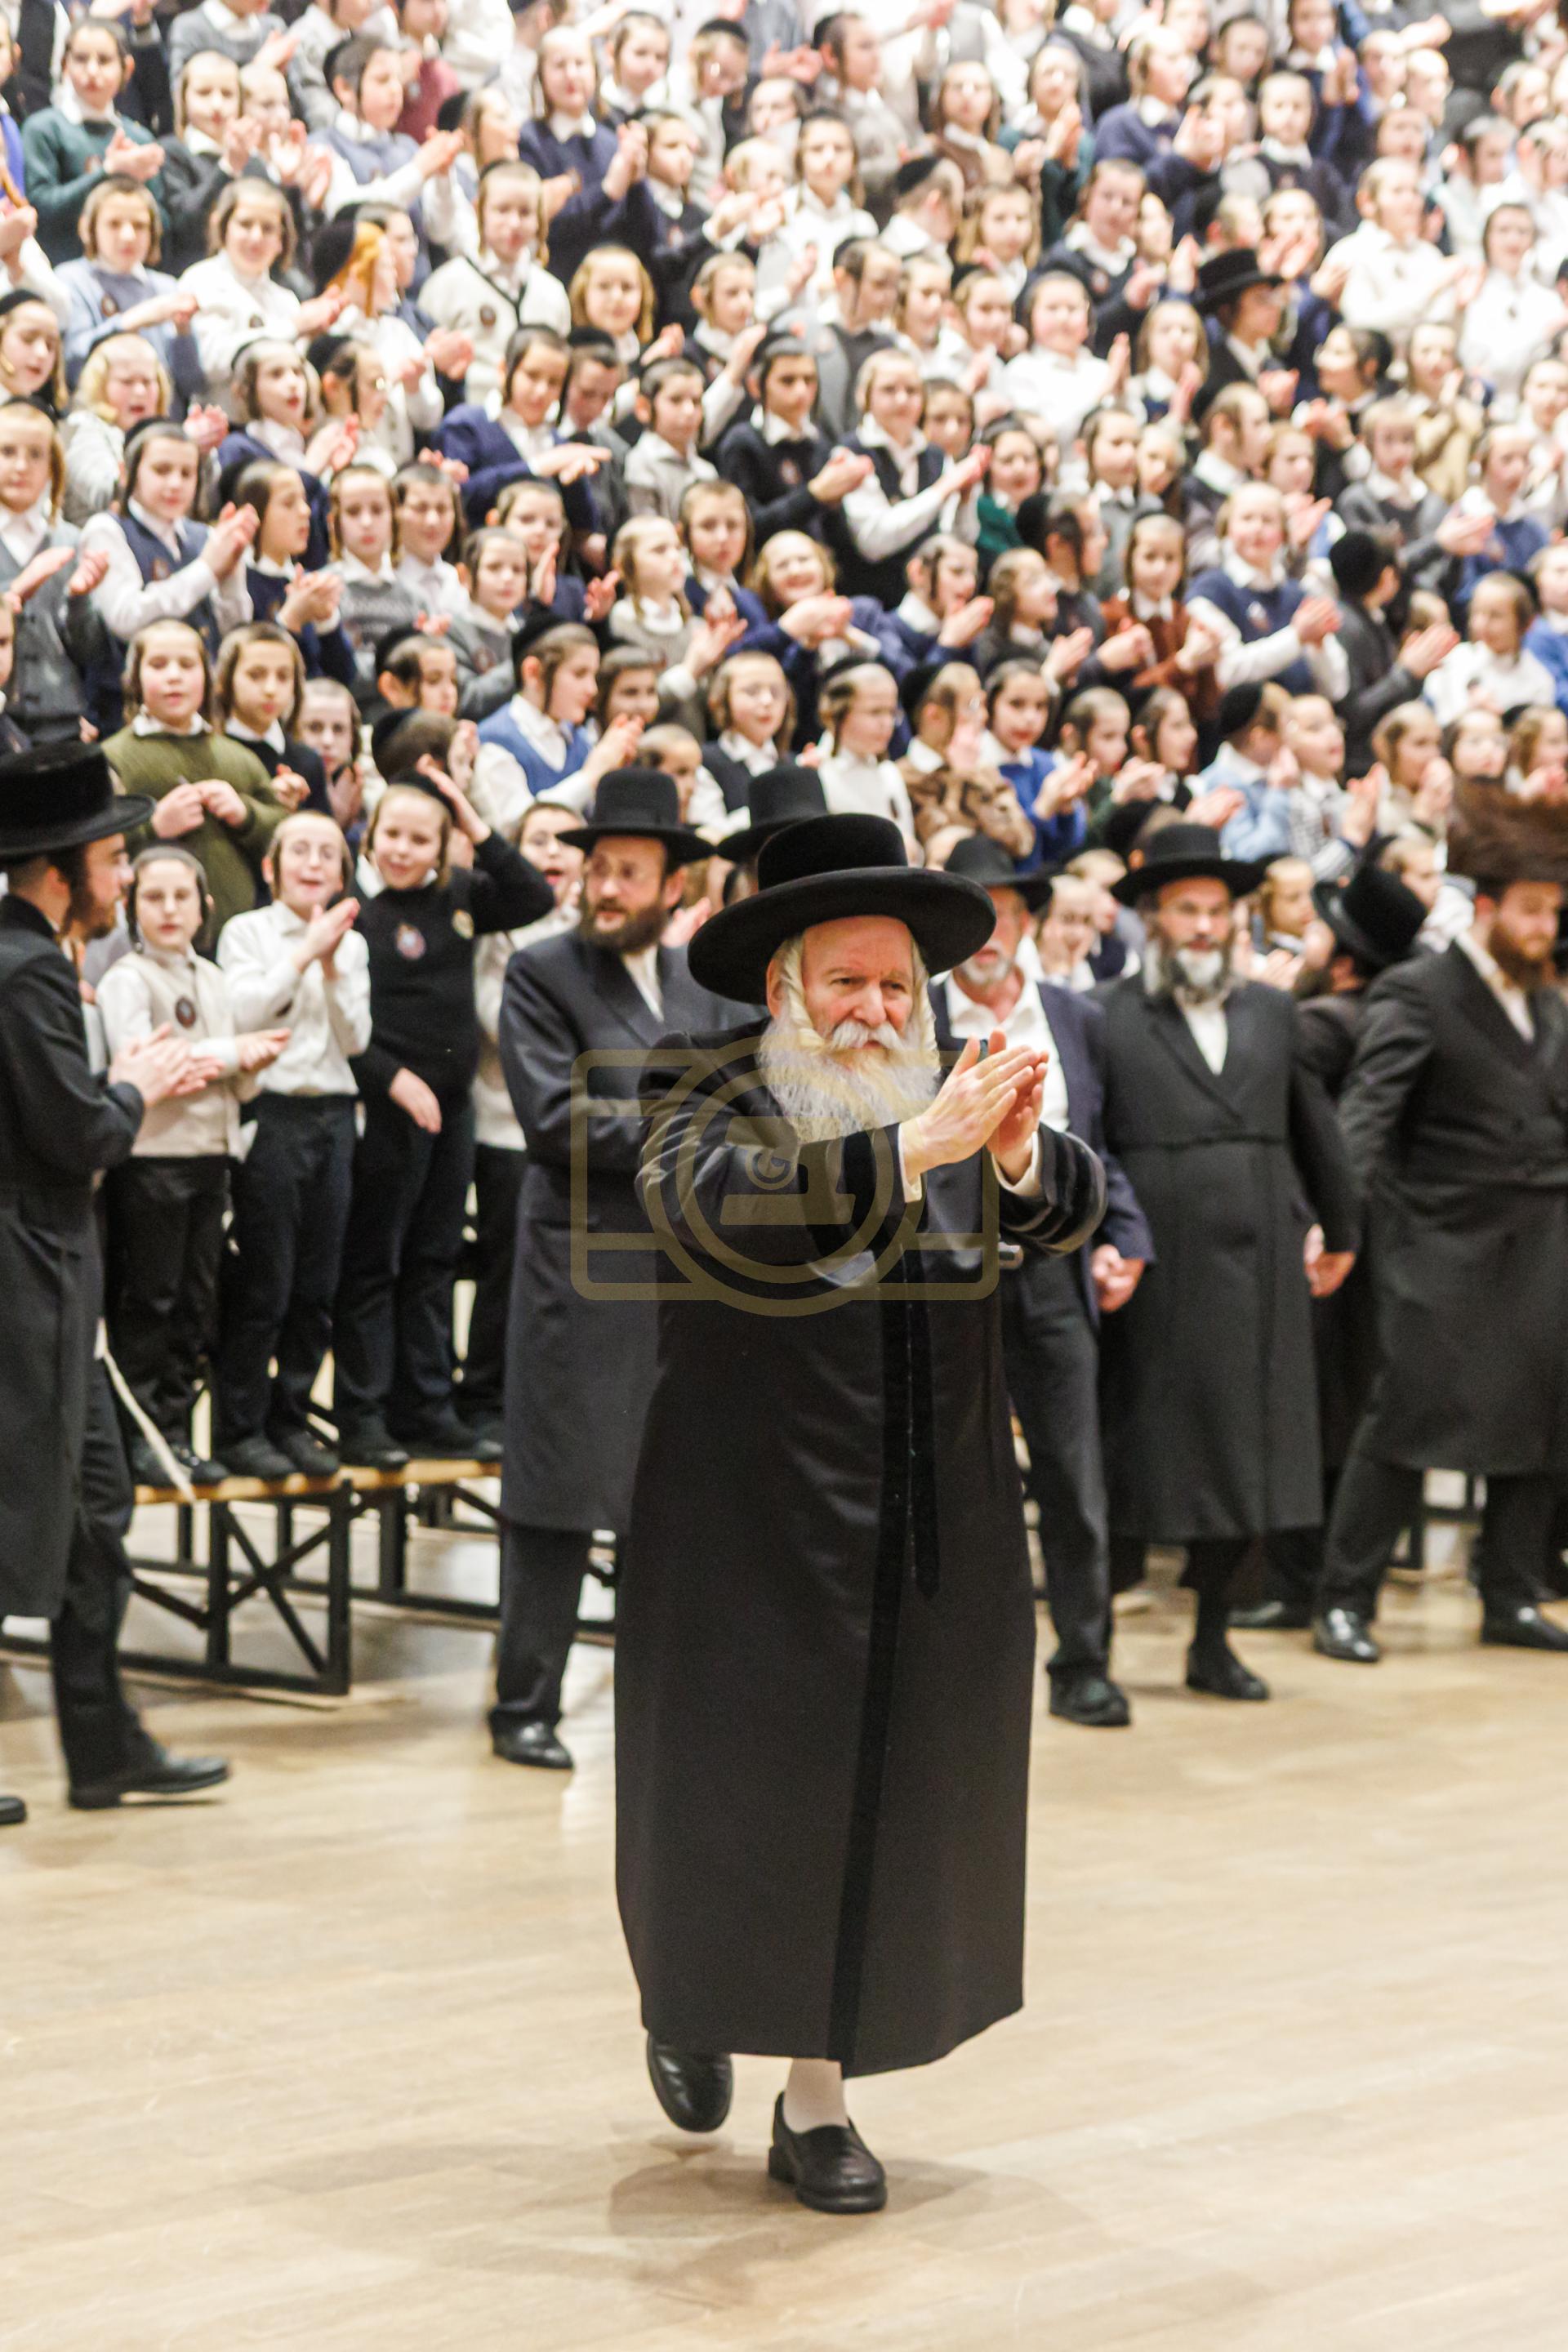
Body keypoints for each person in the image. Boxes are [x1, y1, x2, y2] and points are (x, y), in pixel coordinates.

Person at [614, 811, 1105, 2212]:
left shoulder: (951, 1090)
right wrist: (906, 1152)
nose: (876, 1010)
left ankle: (816, 2103)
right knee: (736, 1805)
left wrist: (1013, 1156)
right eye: (846, 982)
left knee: (880, 1816)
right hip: (745, 1526)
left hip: (926, 1524)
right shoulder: (696, 1082)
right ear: (784, 986)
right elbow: (716, 1212)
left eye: (897, 985)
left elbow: (1070, 1212)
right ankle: (692, 1994)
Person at [0, 741, 228, 1822]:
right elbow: (80, 1135)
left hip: (52, 1282)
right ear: (61, 869)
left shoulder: (32, 958)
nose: (127, 875)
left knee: (96, 1506)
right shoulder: (29, 969)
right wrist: (134, 1085)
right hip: (23, 1283)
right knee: (28, 1509)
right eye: (113, 857)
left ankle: (103, 1748)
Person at [492, 767, 726, 1771]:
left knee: (669, 1502)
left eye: (630, 872)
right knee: (558, 1497)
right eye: (599, 870)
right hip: (581, 1271)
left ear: (675, 886)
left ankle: (664, 1704)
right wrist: (695, 1128)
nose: (607, 889)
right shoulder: (542, 972)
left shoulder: (701, 982)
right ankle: (523, 1704)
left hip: (686, 1275)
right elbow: (557, 1119)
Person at [1096, 822, 1359, 1702]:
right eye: (1186, 910)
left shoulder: (1274, 1012)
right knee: (1141, 1455)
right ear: (1152, 919)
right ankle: (1088, 1652)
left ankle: (1213, 1642)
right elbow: (1089, 1140)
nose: (1205, 927)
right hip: (1154, 1271)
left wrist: (1342, 1227)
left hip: (1260, 1271)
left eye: (1217, 910)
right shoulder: (1106, 1015)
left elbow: (1313, 1126)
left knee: (1248, 1460)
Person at [1313, 791, 1568, 1666]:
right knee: (1406, 1418)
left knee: (1541, 1418)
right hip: (1440, 1245)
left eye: (1553, 913)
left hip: (1543, 1244)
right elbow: (1365, 1118)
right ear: (1487, 907)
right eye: (1531, 911)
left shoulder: (1548, 1003)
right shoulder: (1419, 991)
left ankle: (1510, 1592)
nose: (1544, 929)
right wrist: (1340, 1222)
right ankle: (1344, 1600)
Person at [936, 834, 1153, 1728]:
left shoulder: (1075, 1016)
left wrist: (1125, 1237)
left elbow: (1103, 1149)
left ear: (1027, 921)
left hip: (1055, 1274)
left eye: (1005, 912)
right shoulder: (916, 1016)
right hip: (951, 1277)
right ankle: (953, 1669)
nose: (990, 933)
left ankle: (1084, 1661)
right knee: (950, 1478)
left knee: (1073, 1474)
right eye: (973, 915)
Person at [1235, 858, 1429, 1633]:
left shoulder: (1318, 1024)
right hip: (1377, 1238)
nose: (1306, 941)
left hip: (1317, 1234)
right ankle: (1312, 1578)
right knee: (1346, 1407)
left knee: (1309, 1409)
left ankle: (1295, 1581)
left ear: (1345, 961)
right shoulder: (1386, 1013)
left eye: (1320, 933)